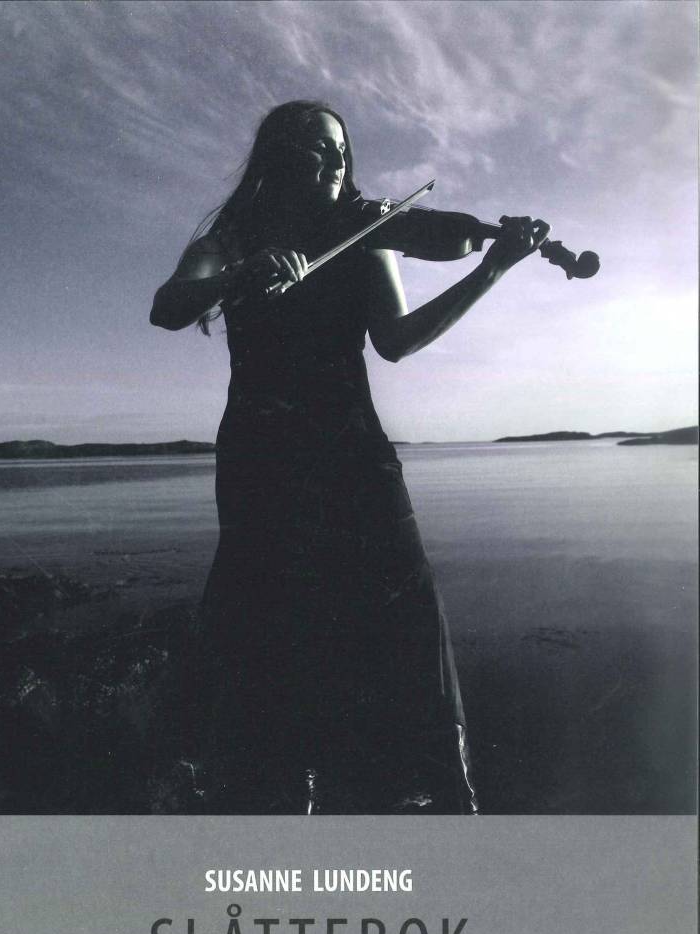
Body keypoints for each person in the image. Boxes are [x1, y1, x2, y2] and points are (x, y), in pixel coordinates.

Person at [150, 100, 548, 814]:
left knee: (406, 609)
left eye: (341, 150)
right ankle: (283, 784)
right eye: (317, 146)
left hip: (351, 447)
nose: (336, 162)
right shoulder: (231, 238)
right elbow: (169, 305)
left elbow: (396, 339)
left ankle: (440, 788)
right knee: (268, 614)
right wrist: (239, 276)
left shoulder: (368, 230)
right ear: (279, 154)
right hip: (261, 452)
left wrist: (491, 268)